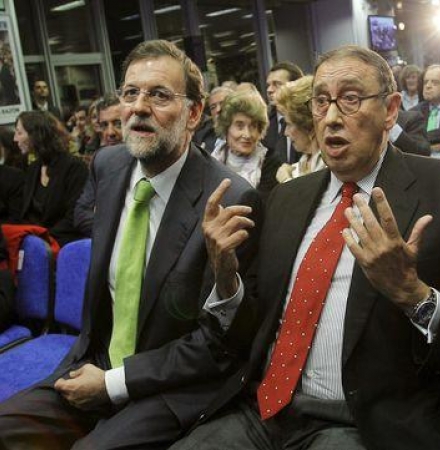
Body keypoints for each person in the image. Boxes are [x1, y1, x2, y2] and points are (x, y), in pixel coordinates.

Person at [171, 45, 440, 450]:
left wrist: (413, 295)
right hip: (262, 409)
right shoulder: (286, 198)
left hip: (364, 420)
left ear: (390, 110)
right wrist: (226, 279)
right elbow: (253, 327)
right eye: (321, 102)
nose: (332, 117)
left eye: (350, 100)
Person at [0, 39, 261, 449]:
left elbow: (218, 344)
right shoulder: (109, 164)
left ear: (193, 114)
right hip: (94, 363)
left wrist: (112, 384)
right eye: (130, 93)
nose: (139, 107)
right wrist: (96, 372)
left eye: (159, 95)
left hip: (168, 387)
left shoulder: (230, 198)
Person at [14, 111, 88, 246]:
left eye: (19, 133)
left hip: (68, 245)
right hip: (39, 245)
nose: (15, 139)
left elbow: (75, 215)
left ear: (35, 135)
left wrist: (45, 238)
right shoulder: (33, 169)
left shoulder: (74, 167)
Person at [73, 94, 125, 237]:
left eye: (118, 124)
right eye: (104, 125)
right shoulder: (100, 161)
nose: (110, 133)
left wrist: (101, 213)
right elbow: (81, 215)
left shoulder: (148, 161)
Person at [211, 90, 269, 187]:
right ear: (226, 128)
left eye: (253, 126)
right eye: (240, 126)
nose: (247, 134)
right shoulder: (212, 161)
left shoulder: (269, 162)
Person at [274, 75, 325, 183]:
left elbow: (308, 199)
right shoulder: (300, 164)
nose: (285, 133)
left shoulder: (329, 163)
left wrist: (286, 182)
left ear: (308, 126)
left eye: (289, 124)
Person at [411, 64, 440, 157]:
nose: (428, 86)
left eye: (435, 82)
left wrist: (422, 141)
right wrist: (429, 148)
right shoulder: (414, 111)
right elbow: (411, 140)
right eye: (425, 82)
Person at [264, 61, 304, 164]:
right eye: (268, 85)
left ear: (295, 86)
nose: (269, 90)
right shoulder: (264, 123)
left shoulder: (308, 120)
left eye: (276, 84)